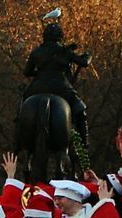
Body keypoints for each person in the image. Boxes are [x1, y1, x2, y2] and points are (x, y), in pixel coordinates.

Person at [22, 9, 90, 144]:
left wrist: (41, 73)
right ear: (60, 36)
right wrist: (88, 56)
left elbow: (27, 72)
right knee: (80, 110)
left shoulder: (36, 52)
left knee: (21, 107)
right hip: (61, 87)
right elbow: (83, 63)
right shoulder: (64, 51)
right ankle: (84, 142)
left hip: (38, 87)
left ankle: (18, 139)